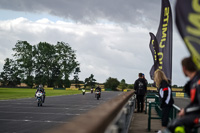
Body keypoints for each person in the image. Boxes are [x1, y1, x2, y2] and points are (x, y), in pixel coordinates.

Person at [167, 57, 200, 133]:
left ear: (184, 68)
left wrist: (185, 111)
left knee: (175, 125)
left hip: (197, 116)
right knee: (173, 124)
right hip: (194, 114)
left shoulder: (197, 82)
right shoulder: (193, 82)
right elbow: (194, 103)